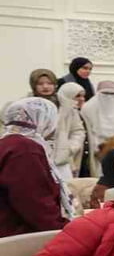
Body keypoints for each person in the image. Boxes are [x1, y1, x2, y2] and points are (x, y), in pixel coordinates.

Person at [0, 98, 70, 236]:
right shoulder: (25, 149)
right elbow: (34, 202)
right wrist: (65, 229)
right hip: (18, 237)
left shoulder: (8, 144)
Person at [52, 81, 88, 179]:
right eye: (77, 96)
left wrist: (69, 148)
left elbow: (78, 132)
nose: (81, 99)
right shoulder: (57, 109)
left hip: (67, 158)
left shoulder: (74, 111)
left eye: (82, 96)